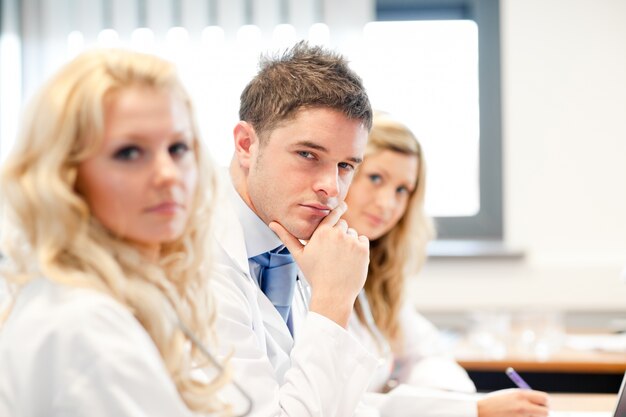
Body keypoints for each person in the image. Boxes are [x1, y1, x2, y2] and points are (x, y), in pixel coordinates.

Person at [0, 49, 232, 417]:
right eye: (129, 153)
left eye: (178, 148)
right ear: (66, 175)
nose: (168, 174)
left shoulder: (105, 300)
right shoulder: (86, 328)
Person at [342, 112, 551, 417]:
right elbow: (340, 405)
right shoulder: (304, 271)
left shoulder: (377, 273)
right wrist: (469, 410)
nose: (388, 203)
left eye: (402, 190)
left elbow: (428, 354)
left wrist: (453, 402)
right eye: (376, 179)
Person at [211, 40, 379, 416]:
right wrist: (333, 300)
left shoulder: (293, 247)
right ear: (245, 145)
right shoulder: (196, 261)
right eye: (308, 155)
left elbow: (339, 402)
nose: (331, 188)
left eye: (345, 166)